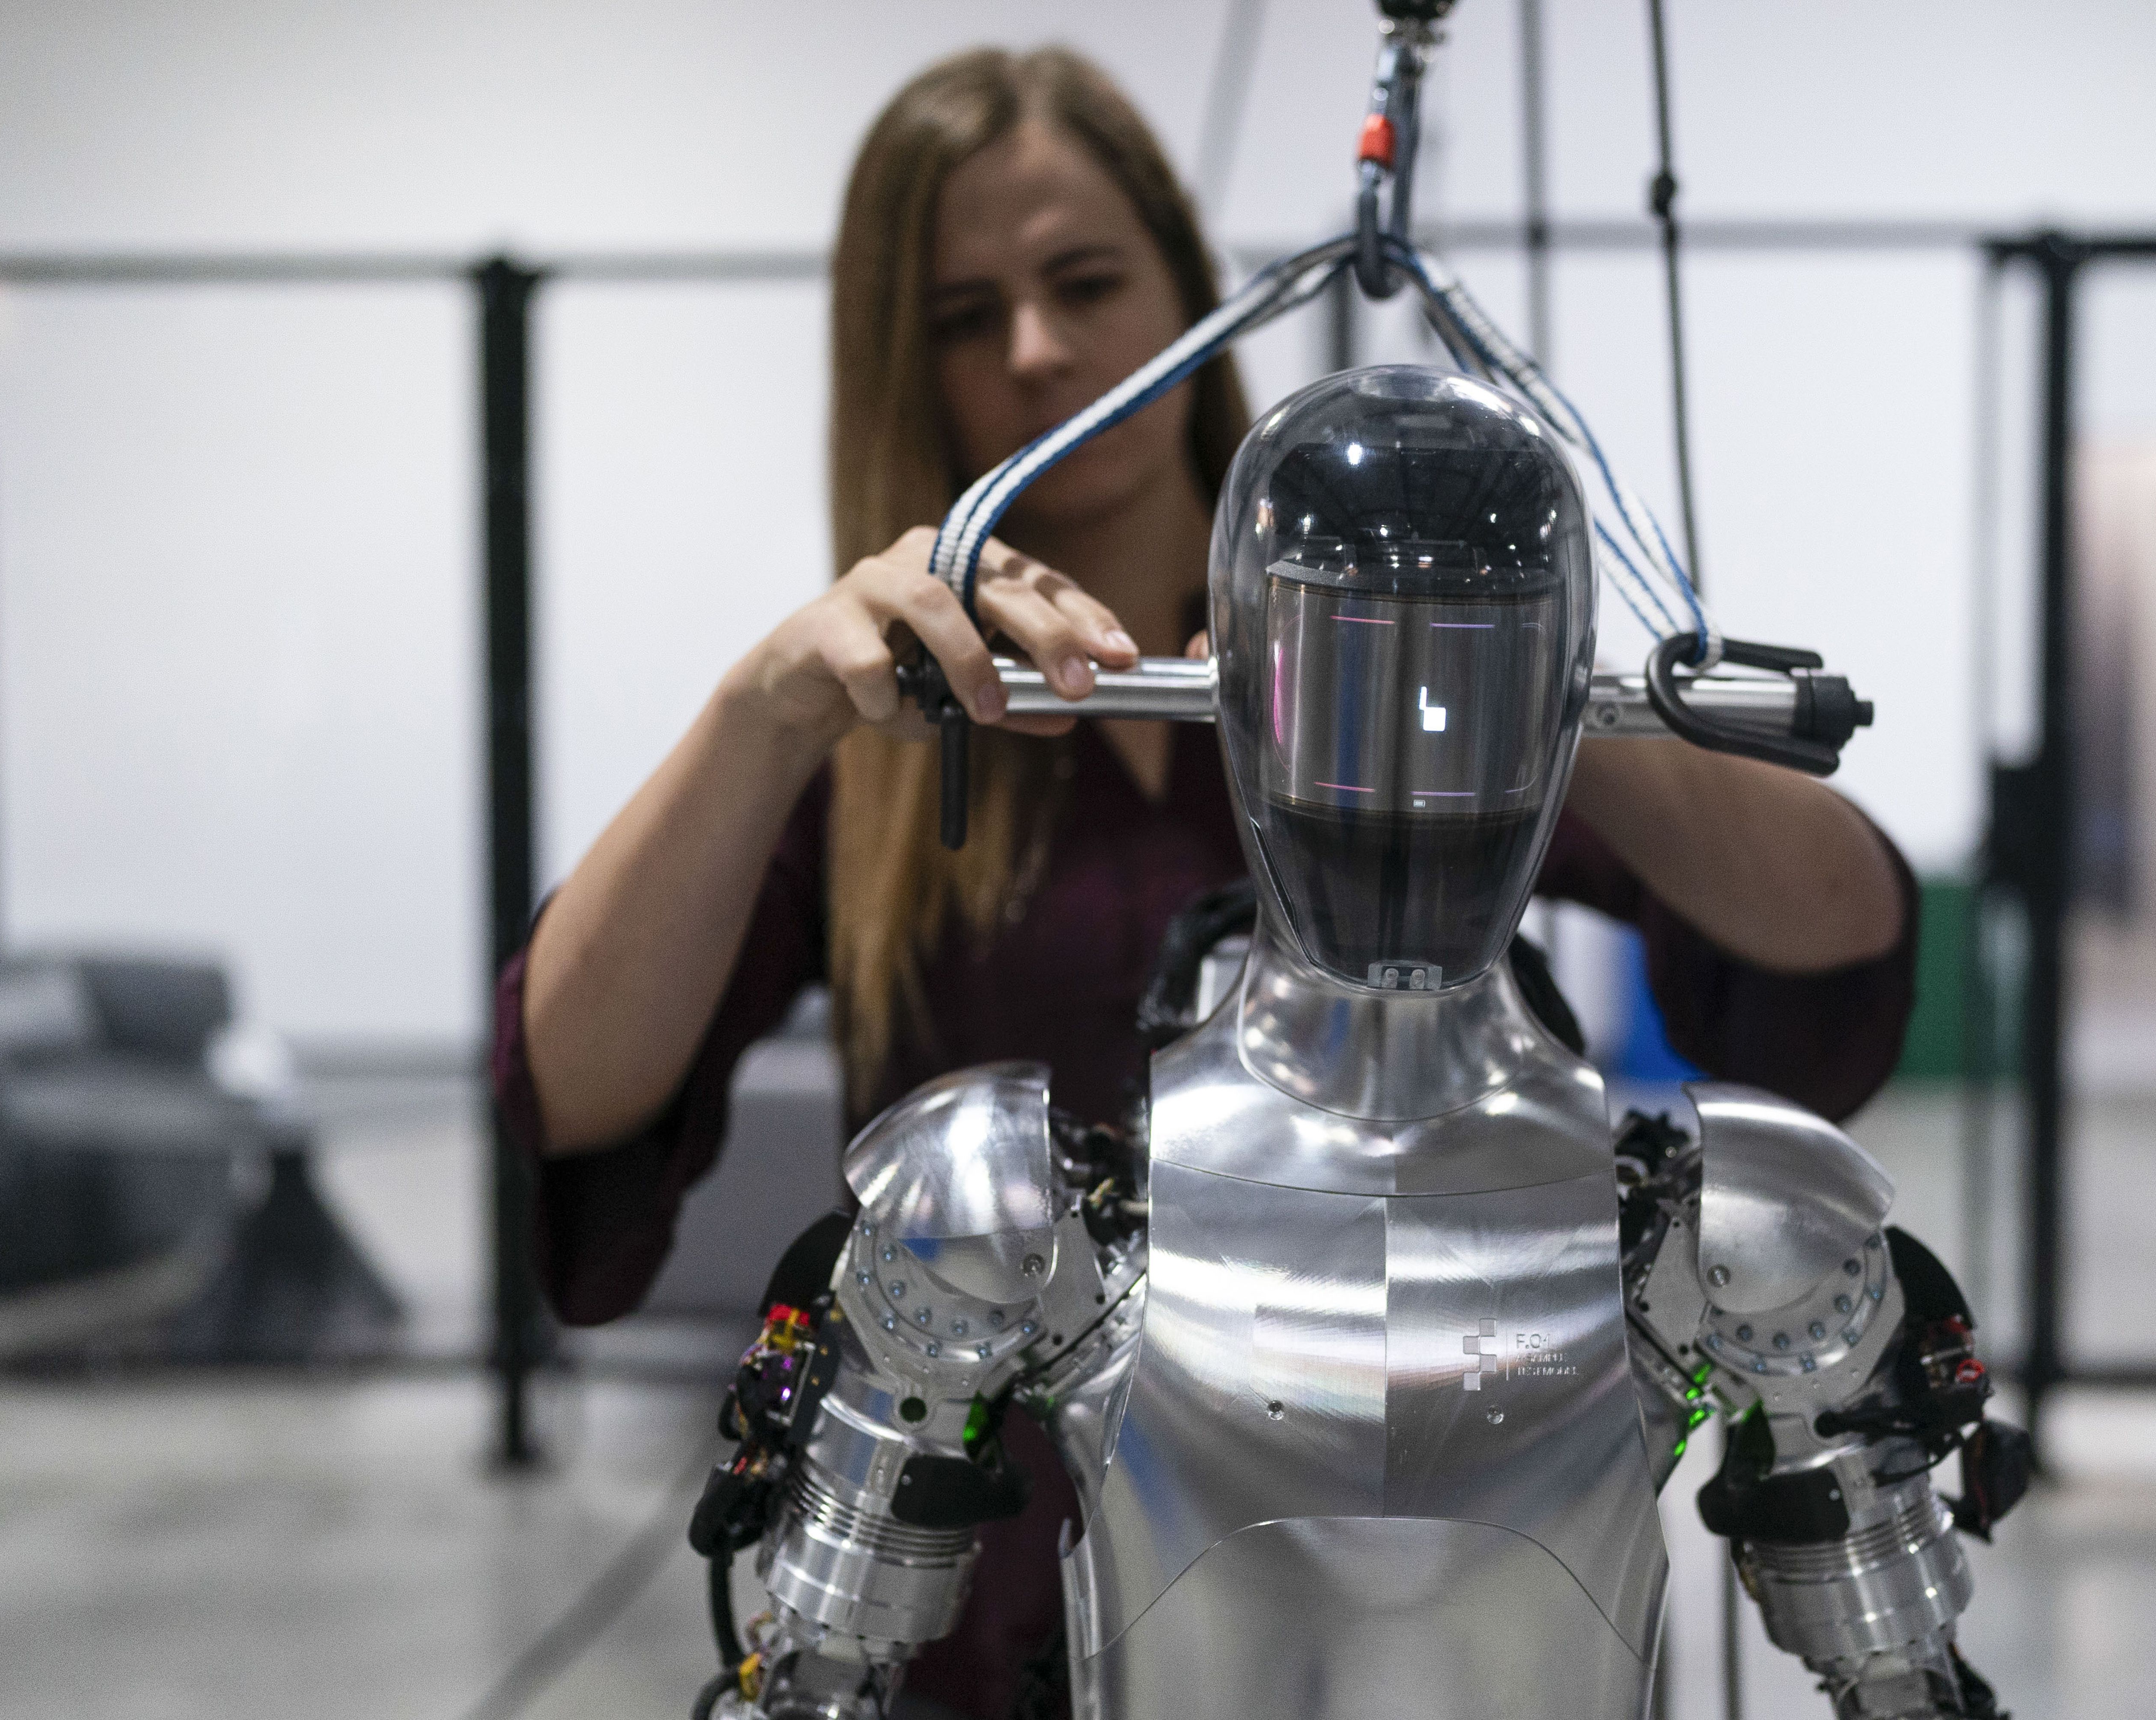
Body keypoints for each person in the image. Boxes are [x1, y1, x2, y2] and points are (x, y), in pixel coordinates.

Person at [493, 44, 1915, 1720]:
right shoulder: (891, 747)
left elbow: (1836, 944)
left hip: (1453, 1626)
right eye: (965, 315)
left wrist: (1493, 651)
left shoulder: (1405, 705)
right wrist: (768, 709)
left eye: (1087, 283)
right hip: (993, 1629)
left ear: (1184, 287)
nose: (1037, 349)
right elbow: (571, 1094)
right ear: (904, 365)